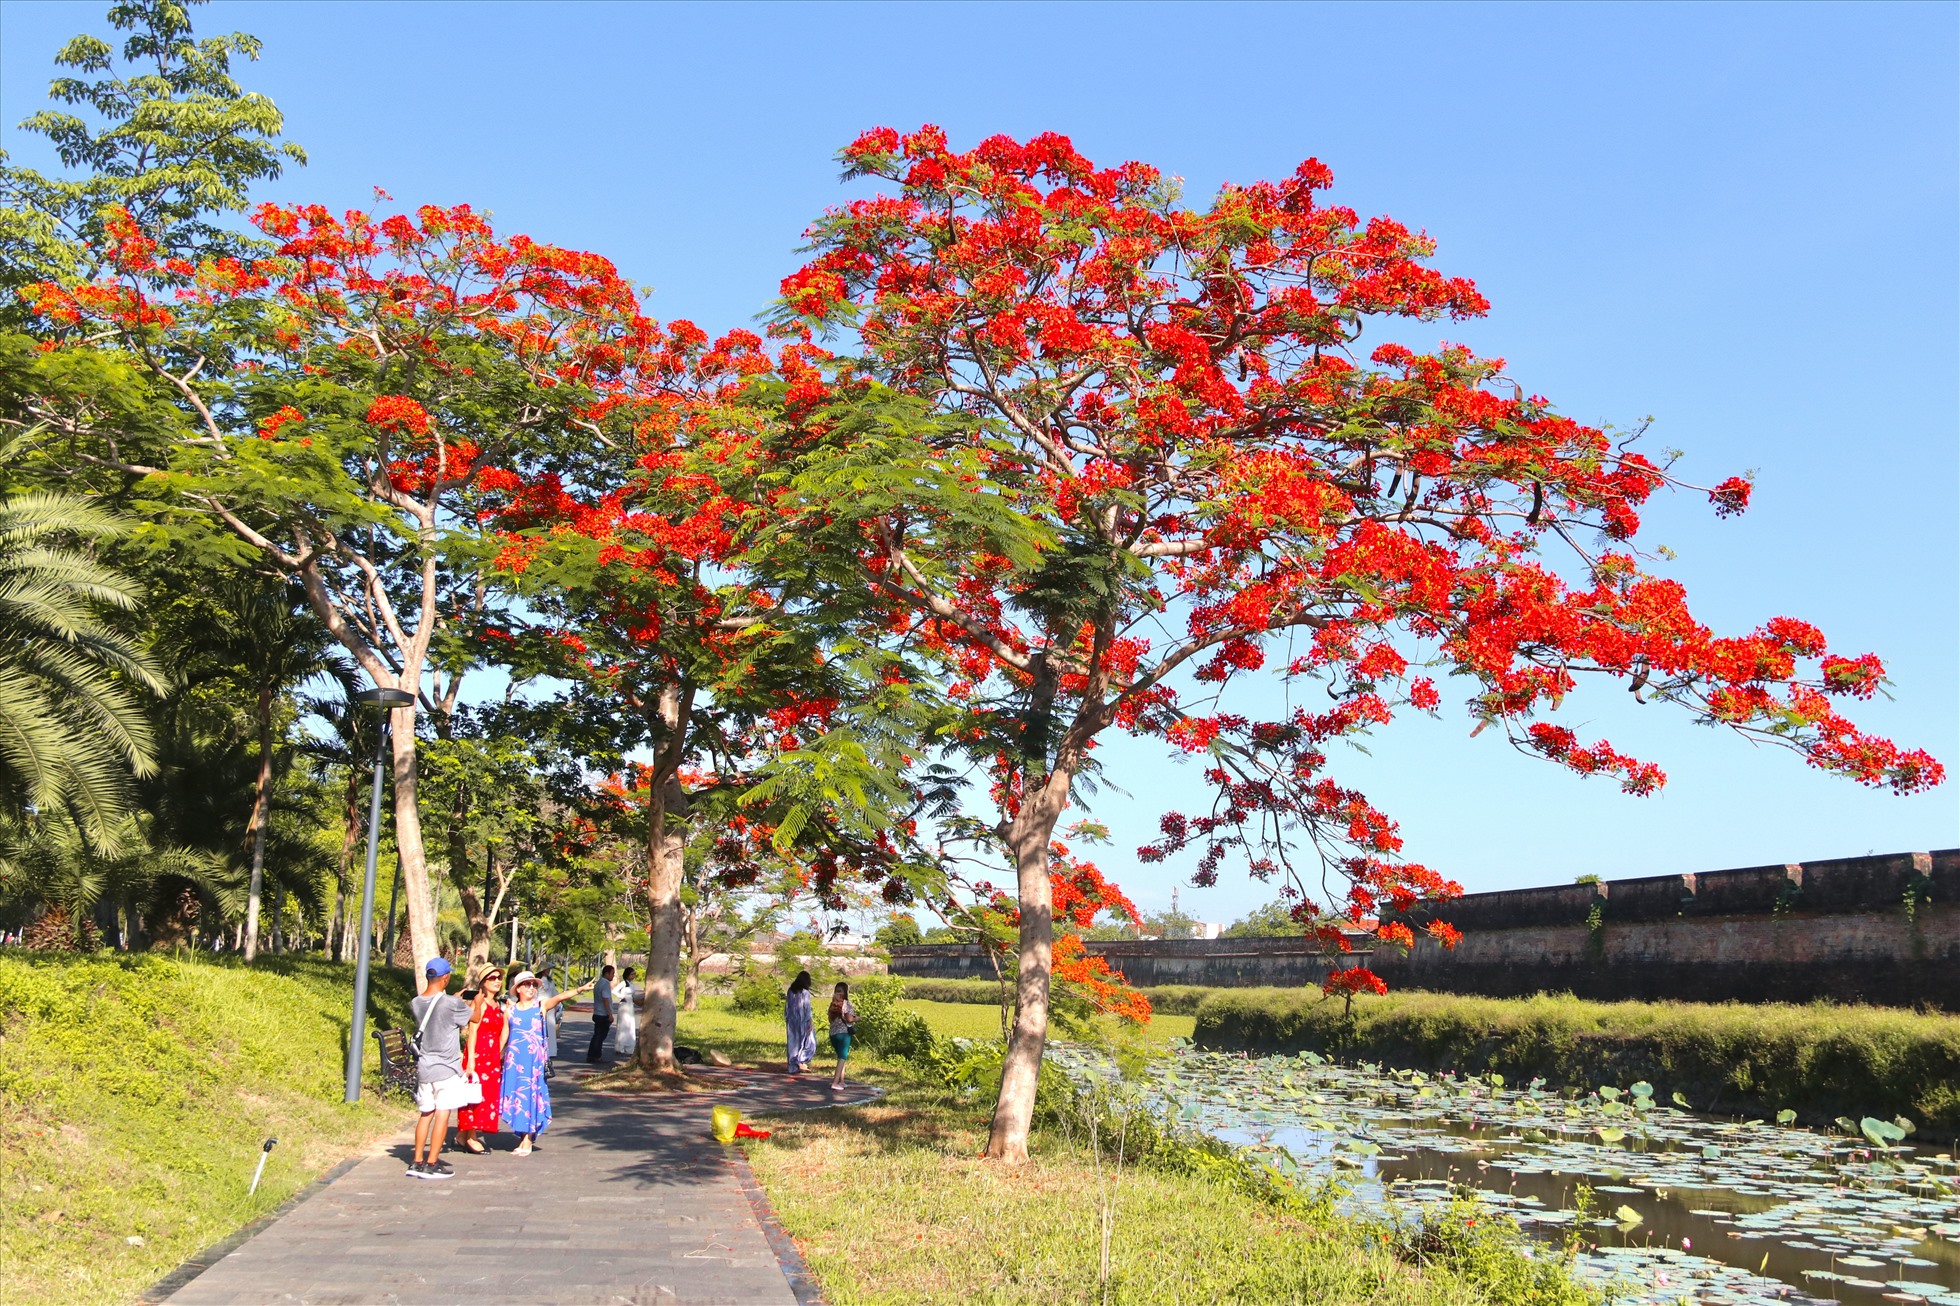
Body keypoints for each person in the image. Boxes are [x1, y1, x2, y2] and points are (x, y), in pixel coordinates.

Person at [500, 970, 592, 1155]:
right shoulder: (510, 1010)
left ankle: (527, 1140)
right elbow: (504, 1036)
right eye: (527, 985)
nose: (531, 988)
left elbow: (559, 998)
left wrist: (580, 989)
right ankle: (522, 1136)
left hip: (534, 1062)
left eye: (534, 985)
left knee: (531, 1097)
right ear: (517, 989)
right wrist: (496, 1056)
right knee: (517, 1098)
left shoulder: (540, 1006)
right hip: (514, 1062)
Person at [408, 957, 473, 1180]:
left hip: (425, 1066)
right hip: (446, 1067)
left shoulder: (417, 1002)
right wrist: (473, 1002)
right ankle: (432, 1162)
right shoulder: (452, 1004)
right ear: (445, 978)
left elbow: (435, 1012)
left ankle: (416, 1161)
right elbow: (475, 1018)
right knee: (443, 1113)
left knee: (426, 1113)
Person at [455, 967, 507, 1154]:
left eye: (499, 978)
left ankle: (462, 1135)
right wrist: (470, 1061)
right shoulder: (480, 1004)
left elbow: (503, 1033)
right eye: (492, 978)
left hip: (492, 1057)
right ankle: (472, 1136)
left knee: (485, 1096)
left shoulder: (498, 1005)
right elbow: (473, 1032)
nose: (497, 981)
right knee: (474, 1097)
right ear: (483, 982)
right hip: (478, 1056)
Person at [784, 971, 816, 1074]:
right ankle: (801, 1061)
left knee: (793, 1043)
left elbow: (787, 1007)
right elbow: (807, 1008)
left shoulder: (790, 991)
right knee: (809, 1042)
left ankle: (793, 1066)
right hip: (803, 1021)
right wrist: (810, 1021)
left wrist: (787, 1019)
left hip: (792, 1022)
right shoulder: (805, 992)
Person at [827, 981, 857, 1089]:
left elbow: (830, 1020)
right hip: (844, 1034)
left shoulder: (832, 1005)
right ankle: (835, 1083)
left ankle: (842, 1080)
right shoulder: (847, 1004)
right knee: (843, 1057)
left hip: (833, 1034)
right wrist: (857, 1018)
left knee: (840, 1057)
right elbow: (849, 1018)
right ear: (846, 992)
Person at [586, 964, 615, 1064]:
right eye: (612, 974)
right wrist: (610, 1014)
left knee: (597, 1035)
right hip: (603, 1014)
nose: (613, 976)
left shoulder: (599, 983)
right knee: (600, 1036)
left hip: (597, 1012)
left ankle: (591, 1054)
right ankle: (596, 1055)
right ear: (606, 973)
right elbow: (605, 999)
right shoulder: (605, 984)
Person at [535, 965, 561, 1076]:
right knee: (543, 1027)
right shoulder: (541, 981)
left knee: (550, 1028)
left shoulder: (550, 980)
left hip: (550, 1002)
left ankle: (551, 1050)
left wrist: (557, 1004)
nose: (548, 971)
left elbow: (554, 993)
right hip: (542, 1002)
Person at [614, 966, 638, 1057]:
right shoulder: (623, 983)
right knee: (623, 1025)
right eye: (632, 974)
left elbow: (635, 996)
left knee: (630, 1025)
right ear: (627, 975)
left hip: (630, 1006)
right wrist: (622, 997)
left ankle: (629, 1047)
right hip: (624, 1005)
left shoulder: (632, 985)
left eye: (634, 974)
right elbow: (614, 991)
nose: (633, 976)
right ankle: (620, 1046)